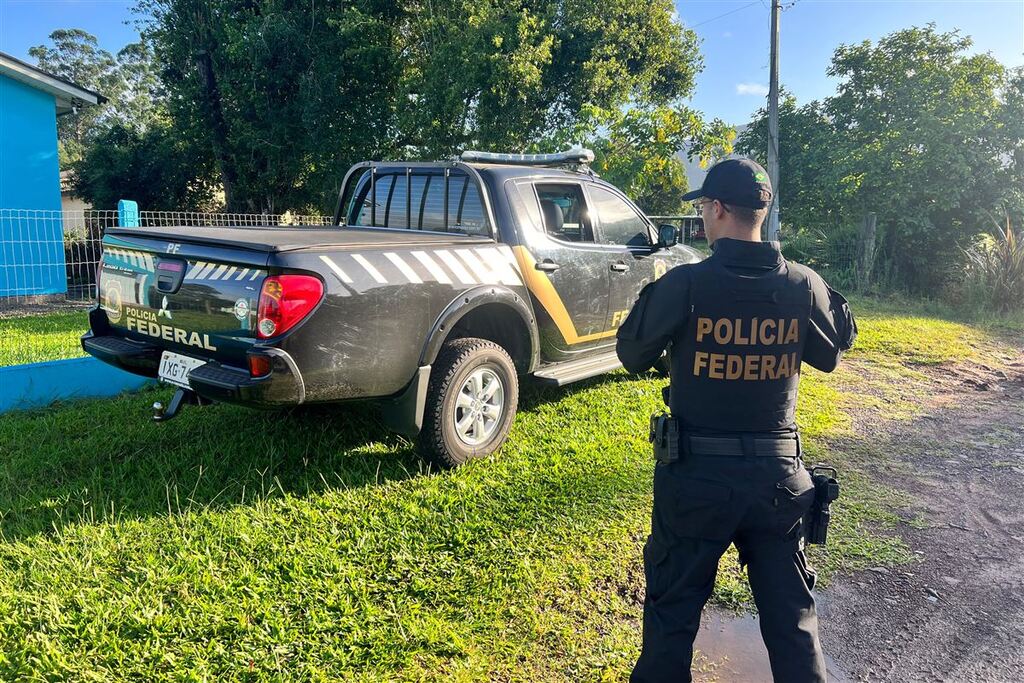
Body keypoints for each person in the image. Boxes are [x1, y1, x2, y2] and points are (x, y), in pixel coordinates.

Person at [616, 158, 856, 682]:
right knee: (794, 628)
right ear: (762, 213)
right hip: (779, 485)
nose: (703, 217)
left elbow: (631, 352)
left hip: (695, 482)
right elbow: (832, 353)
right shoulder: (802, 284)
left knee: (670, 622)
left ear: (718, 209)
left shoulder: (687, 284)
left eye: (704, 207)